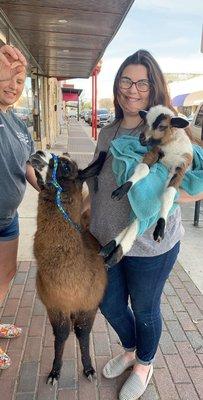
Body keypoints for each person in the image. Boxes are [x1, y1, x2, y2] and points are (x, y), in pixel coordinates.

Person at [85, 50, 203, 400]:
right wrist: (80, 209)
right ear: (117, 84)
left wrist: (162, 199)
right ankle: (132, 348)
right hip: (106, 238)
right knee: (109, 304)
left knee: (146, 308)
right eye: (126, 80)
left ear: (154, 89)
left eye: (142, 82)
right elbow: (101, 181)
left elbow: (196, 181)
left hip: (152, 245)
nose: (132, 89)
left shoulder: (170, 127)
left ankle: (144, 363)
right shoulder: (108, 132)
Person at [0, 44, 39, 369]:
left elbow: (27, 166)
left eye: (19, 81)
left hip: (8, 219)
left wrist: (50, 190)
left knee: (5, 275)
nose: (13, 86)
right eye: (7, 78)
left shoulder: (17, 123)